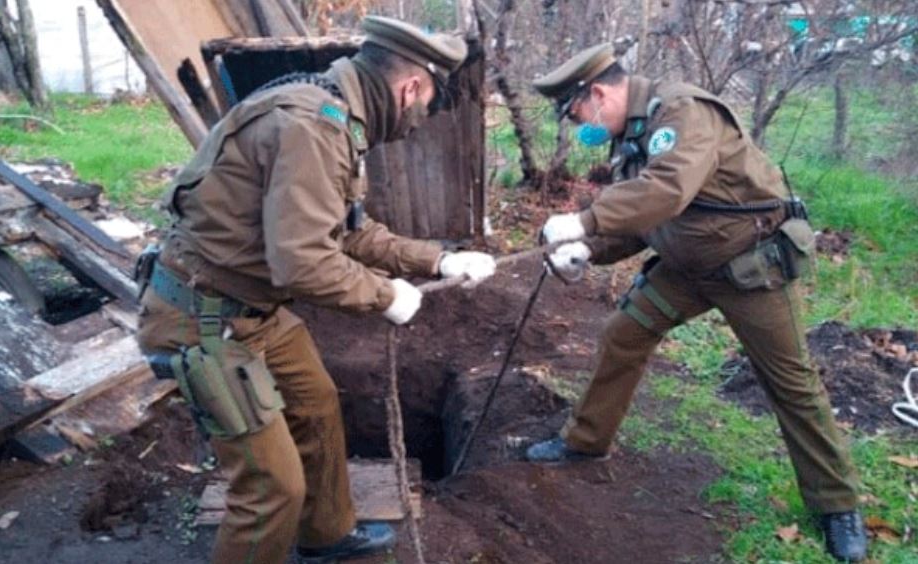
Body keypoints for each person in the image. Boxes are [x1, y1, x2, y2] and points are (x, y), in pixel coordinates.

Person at [134, 16, 496, 564]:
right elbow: (302, 263)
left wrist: (439, 258)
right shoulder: (313, 126)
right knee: (270, 489)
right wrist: (385, 295)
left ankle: (325, 534)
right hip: (206, 319)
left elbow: (347, 232)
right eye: (425, 109)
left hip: (251, 309)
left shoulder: (327, 111)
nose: (418, 122)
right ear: (410, 88)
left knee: (316, 401)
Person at [527, 43, 867, 562]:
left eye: (577, 114)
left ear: (598, 93)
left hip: (749, 267)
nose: (581, 127)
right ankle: (585, 441)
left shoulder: (684, 112)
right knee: (624, 334)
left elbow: (668, 191)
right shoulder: (632, 137)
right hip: (687, 269)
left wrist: (586, 220)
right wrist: (585, 250)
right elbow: (642, 219)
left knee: (792, 381)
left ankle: (837, 505)